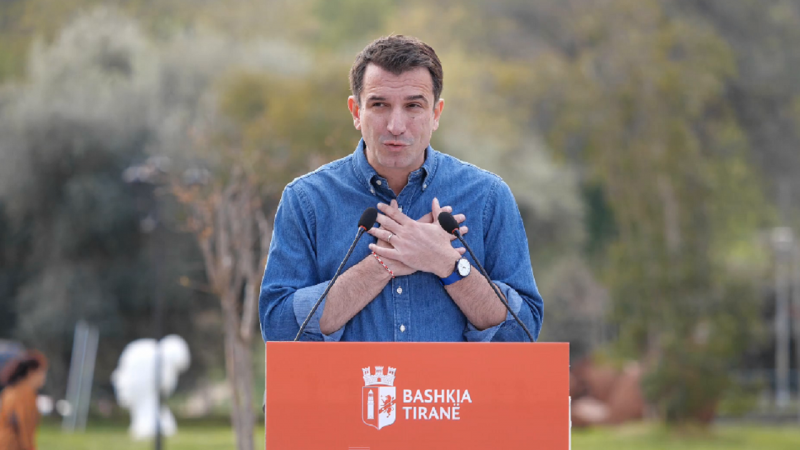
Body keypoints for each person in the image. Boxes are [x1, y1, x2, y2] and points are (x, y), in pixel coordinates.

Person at [259, 35, 543, 342]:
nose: (395, 125)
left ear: (436, 114)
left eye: (413, 106)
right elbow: (279, 330)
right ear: (356, 112)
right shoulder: (305, 200)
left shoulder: (489, 197)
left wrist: (446, 262)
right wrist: (382, 263)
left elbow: (523, 332)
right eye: (379, 105)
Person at [0, 351, 47, 450]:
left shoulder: (10, 390)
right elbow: (24, 426)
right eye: (42, 372)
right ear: (31, 372)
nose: (44, 377)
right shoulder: (25, 394)